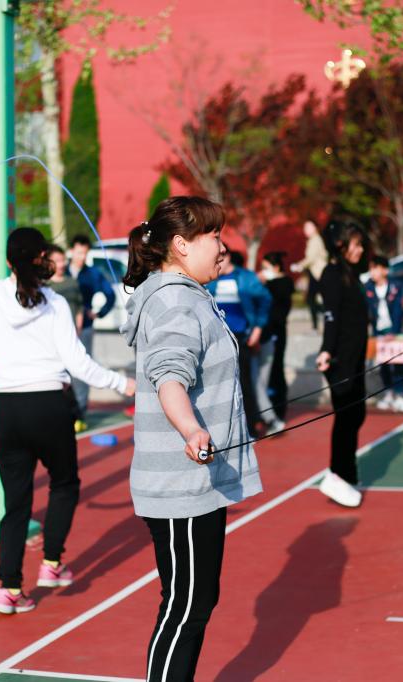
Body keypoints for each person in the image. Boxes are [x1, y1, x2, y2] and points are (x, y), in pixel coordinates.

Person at [0, 227, 135, 615]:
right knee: (65, 483)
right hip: (49, 407)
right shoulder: (54, 303)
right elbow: (78, 363)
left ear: (9, 261)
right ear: (44, 259)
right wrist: (122, 383)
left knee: (16, 504)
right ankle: (51, 563)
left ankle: (8, 588)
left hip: (6, 412)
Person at [120, 197, 262, 681]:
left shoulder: (188, 295)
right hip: (181, 482)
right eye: (214, 236)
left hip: (197, 480)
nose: (222, 247)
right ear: (181, 245)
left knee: (195, 600)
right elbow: (169, 375)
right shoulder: (176, 301)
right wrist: (190, 427)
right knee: (186, 604)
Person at [316, 220, 370, 508]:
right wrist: (326, 351)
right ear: (340, 245)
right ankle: (337, 475)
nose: (360, 249)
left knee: (356, 414)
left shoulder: (351, 272)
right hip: (340, 360)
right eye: (356, 244)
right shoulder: (332, 274)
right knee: (347, 418)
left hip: (356, 357)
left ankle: (347, 472)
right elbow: (330, 316)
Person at [206, 250, 274, 432]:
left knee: (244, 382)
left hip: (240, 336)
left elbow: (265, 300)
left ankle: (251, 426)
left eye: (220, 257)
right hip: (217, 337)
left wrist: (257, 329)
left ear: (227, 257)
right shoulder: (211, 277)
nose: (217, 261)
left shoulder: (246, 277)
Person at [68, 235, 117, 431]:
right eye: (78, 252)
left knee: (82, 369)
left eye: (84, 253)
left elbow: (110, 294)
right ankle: (63, 413)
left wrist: (98, 313)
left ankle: (80, 415)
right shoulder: (60, 271)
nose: (81, 256)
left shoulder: (92, 274)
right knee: (62, 370)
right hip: (61, 329)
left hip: (85, 328)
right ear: (71, 251)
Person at [365, 255, 403, 413]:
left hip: (395, 331)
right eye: (371, 269)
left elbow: (398, 310)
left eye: (375, 268)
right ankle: (388, 392)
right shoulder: (368, 288)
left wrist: (394, 331)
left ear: (384, 270)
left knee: (398, 362)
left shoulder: (395, 286)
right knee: (383, 363)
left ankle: (400, 394)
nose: (372, 272)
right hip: (378, 331)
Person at [259, 252, 294, 419]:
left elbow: (280, 297)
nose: (263, 271)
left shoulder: (284, 283)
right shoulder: (266, 284)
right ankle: (265, 409)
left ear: (276, 267)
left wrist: (266, 283)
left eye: (266, 268)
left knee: (276, 369)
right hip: (265, 331)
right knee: (265, 371)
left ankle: (279, 409)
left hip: (277, 331)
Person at [291, 220, 328, 329]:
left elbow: (311, 258)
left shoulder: (315, 240)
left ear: (315, 227)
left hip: (318, 273)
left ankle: (321, 320)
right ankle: (318, 322)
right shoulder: (313, 240)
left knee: (313, 298)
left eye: (308, 227)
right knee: (313, 298)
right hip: (314, 272)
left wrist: (299, 266)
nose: (305, 230)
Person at [47, 245, 84, 334]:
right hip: (51, 332)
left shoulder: (72, 282)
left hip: (71, 332)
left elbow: (79, 307)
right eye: (57, 261)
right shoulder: (44, 285)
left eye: (63, 260)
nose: (61, 264)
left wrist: (78, 329)